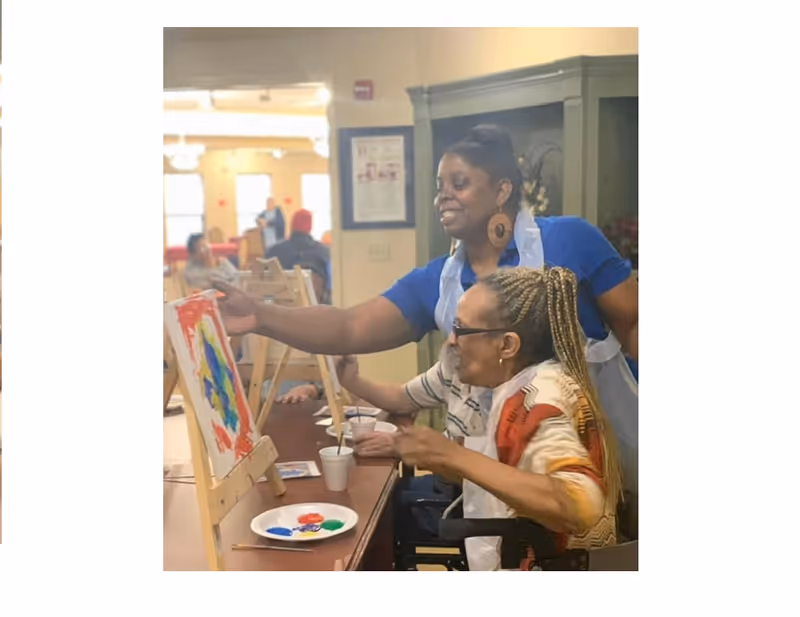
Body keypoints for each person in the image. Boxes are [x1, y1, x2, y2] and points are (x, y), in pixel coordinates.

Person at [213, 124, 638, 494]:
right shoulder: (438, 282)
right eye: (440, 187)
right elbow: (348, 326)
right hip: (499, 477)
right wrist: (261, 316)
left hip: (599, 453)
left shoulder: (569, 240)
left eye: (459, 183)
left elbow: (634, 323)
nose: (443, 197)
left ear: (502, 190)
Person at [338, 266, 621, 570]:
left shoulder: (541, 397)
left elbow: (582, 504)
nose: (450, 342)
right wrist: (442, 459)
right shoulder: (516, 386)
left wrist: (451, 455)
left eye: (461, 330)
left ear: (507, 345)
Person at [266, 208, 331, 304]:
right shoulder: (324, 252)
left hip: (279, 311)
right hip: (315, 312)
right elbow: (331, 287)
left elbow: (265, 289)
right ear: (310, 227)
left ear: (292, 226)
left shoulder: (272, 252)